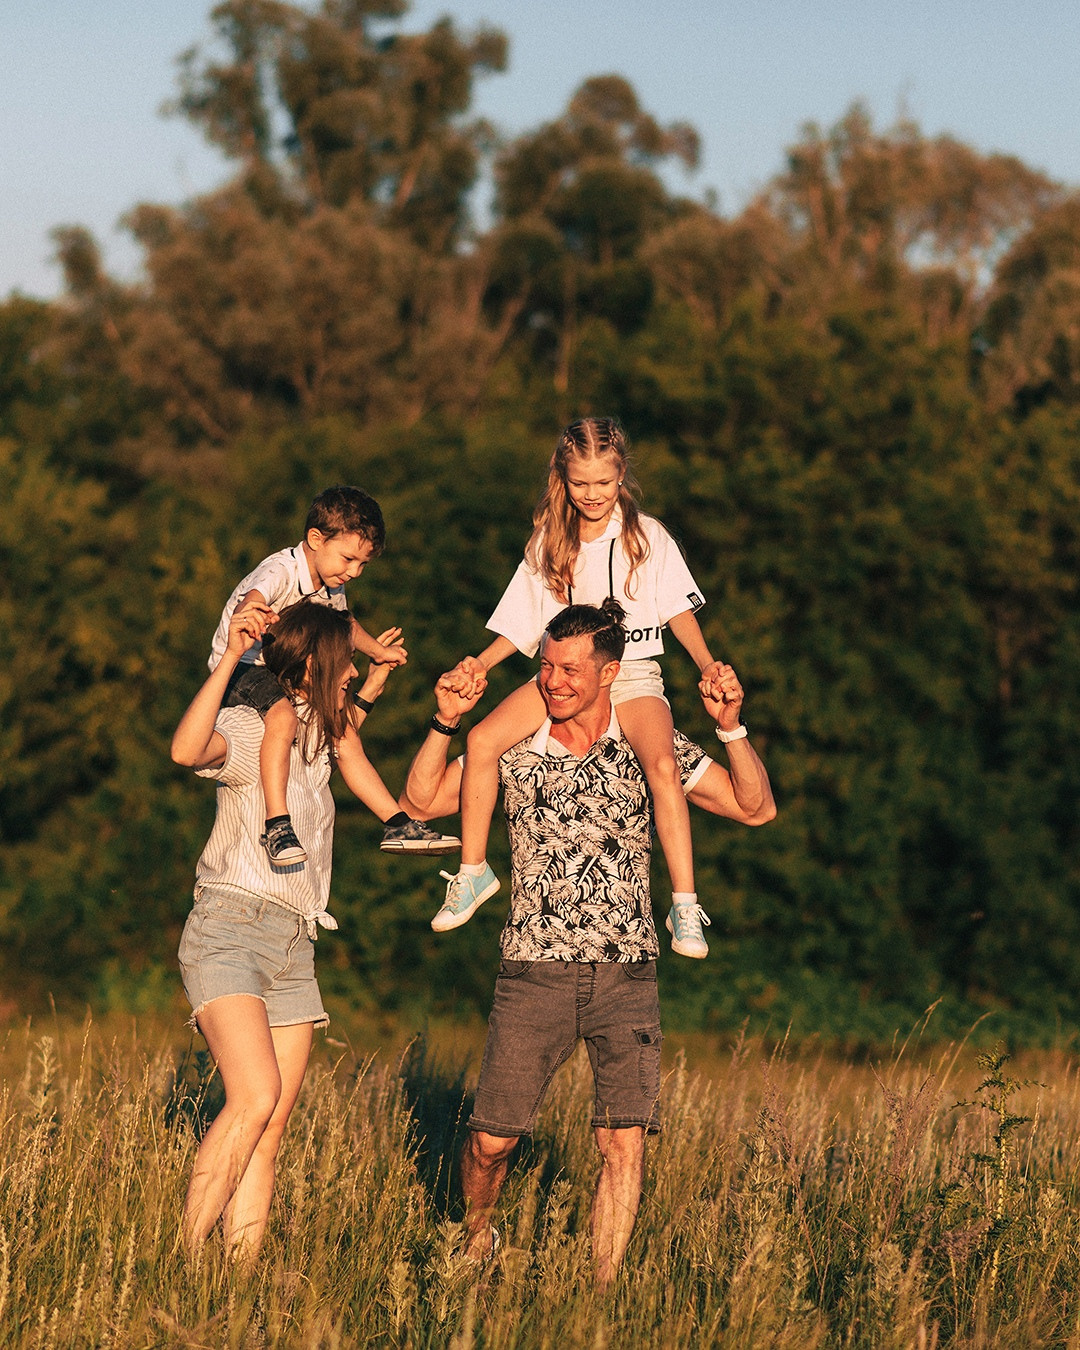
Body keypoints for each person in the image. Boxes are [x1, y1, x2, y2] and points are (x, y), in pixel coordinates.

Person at [400, 601, 775, 1284]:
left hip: (626, 973)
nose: (552, 680)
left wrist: (731, 728)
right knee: (490, 1142)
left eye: (569, 669)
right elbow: (422, 802)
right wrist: (444, 721)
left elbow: (756, 806)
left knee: (622, 1143)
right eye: (545, 666)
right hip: (532, 970)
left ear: (610, 672)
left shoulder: (649, 745)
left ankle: (601, 1294)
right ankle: (477, 1238)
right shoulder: (514, 745)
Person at [433, 418, 723, 957]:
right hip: (562, 677)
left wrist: (706, 663)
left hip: (631, 673)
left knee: (664, 767)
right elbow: (523, 622)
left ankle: (684, 905)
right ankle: (473, 871)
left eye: (604, 482)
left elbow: (677, 608)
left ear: (622, 477)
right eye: (580, 483)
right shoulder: (551, 541)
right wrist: (481, 663)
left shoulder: (647, 535)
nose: (592, 495)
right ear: (562, 479)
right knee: (480, 742)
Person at [172, 596, 404, 1259]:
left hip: (294, 941)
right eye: (347, 664)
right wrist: (225, 663)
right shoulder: (251, 727)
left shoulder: (320, 738)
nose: (353, 673)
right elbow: (186, 749)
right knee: (254, 1095)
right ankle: (183, 1265)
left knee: (269, 1126)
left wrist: (379, 689)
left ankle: (236, 1292)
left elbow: (341, 740)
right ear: (312, 667)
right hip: (229, 928)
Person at [208, 484, 457, 865]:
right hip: (244, 668)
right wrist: (253, 612)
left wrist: (379, 651)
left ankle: (395, 821)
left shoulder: (330, 583)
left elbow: (347, 626)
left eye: (363, 565)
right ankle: (277, 823)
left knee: (344, 734)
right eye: (348, 559)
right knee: (282, 717)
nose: (354, 571)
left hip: (284, 671)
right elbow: (253, 598)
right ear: (315, 539)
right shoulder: (281, 570)